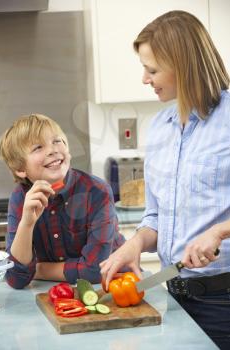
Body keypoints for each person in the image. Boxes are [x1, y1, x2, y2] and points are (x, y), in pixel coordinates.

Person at [100, 10, 230, 349]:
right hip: (173, 298)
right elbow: (157, 216)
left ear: (183, 66)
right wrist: (136, 243)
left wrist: (220, 230)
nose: (145, 78)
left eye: (152, 69)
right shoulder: (160, 128)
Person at [0, 113, 125, 289]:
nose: (52, 150)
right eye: (38, 147)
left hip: (114, 286)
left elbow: (95, 270)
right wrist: (26, 224)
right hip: (55, 293)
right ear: (20, 169)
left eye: (57, 141)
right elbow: (16, 278)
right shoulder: (20, 198)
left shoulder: (96, 191)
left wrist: (39, 269)